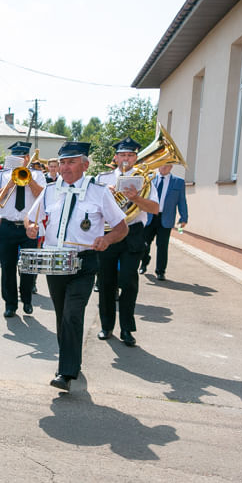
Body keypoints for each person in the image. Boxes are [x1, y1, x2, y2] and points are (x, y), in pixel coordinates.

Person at [24, 142, 128, 391]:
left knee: (72, 314)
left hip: (84, 261)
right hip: (55, 261)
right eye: (62, 162)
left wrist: (107, 239)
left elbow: (121, 227)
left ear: (85, 164)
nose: (65, 167)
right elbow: (31, 216)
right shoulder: (49, 191)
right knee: (62, 316)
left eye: (71, 162)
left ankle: (65, 372)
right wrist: (31, 227)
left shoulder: (99, 192)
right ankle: (72, 362)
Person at [94, 136, 159, 347]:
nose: (126, 159)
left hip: (133, 233)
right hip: (109, 232)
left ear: (135, 158)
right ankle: (106, 326)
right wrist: (106, 196)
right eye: (122, 155)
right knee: (105, 281)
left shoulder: (144, 179)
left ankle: (127, 329)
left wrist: (136, 198)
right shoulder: (102, 179)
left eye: (130, 155)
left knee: (129, 282)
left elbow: (155, 209)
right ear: (115, 157)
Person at [0, 141, 46, 318]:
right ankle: (10, 304)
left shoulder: (37, 174)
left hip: (29, 227)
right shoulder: (1, 175)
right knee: (7, 267)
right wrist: (9, 186)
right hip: (7, 226)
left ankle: (27, 300)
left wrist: (28, 181)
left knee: (28, 266)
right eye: (16, 157)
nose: (19, 160)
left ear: (27, 158)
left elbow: (43, 196)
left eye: (22, 157)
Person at [140, 163, 188, 281]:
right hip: (150, 217)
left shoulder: (178, 182)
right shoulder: (150, 178)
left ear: (171, 167)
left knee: (162, 246)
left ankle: (160, 271)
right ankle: (144, 262)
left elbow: (182, 200)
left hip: (166, 218)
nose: (163, 168)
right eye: (161, 165)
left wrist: (184, 218)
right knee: (144, 244)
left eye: (166, 166)